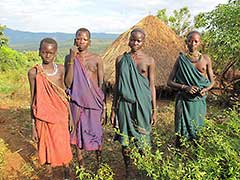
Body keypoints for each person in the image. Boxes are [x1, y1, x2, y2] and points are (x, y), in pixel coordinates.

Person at [110, 28, 157, 177]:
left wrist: (154, 109)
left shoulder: (149, 60)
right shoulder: (120, 59)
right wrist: (113, 109)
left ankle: (145, 169)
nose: (135, 43)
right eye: (132, 40)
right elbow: (118, 85)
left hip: (143, 105)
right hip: (124, 104)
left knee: (143, 139)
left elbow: (151, 86)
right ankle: (128, 169)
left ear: (143, 42)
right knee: (125, 139)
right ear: (128, 40)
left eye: (138, 40)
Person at [28, 38, 73, 179]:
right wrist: (33, 126)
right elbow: (33, 99)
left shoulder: (61, 70)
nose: (47, 55)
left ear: (56, 53)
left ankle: (66, 175)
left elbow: (65, 95)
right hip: (43, 118)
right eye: (44, 52)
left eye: (51, 53)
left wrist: (70, 117)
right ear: (39, 52)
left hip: (60, 116)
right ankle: (49, 175)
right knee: (45, 147)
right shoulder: (34, 73)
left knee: (64, 147)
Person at [64, 28, 105, 168]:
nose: (81, 41)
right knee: (76, 134)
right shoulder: (69, 58)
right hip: (76, 103)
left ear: (89, 42)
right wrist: (71, 59)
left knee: (96, 134)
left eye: (84, 39)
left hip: (94, 103)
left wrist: (104, 107)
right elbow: (68, 83)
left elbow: (101, 84)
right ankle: (81, 165)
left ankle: (99, 166)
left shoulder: (97, 59)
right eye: (78, 38)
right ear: (74, 40)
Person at [167, 31, 215, 147]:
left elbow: (212, 81)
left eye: (196, 41)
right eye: (190, 41)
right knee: (180, 130)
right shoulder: (181, 60)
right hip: (183, 101)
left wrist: (206, 89)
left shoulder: (206, 59)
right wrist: (185, 87)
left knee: (198, 129)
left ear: (200, 43)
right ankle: (178, 156)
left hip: (199, 101)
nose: (192, 43)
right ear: (186, 42)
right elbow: (169, 82)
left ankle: (196, 156)